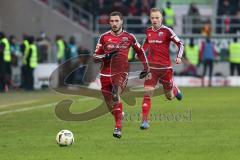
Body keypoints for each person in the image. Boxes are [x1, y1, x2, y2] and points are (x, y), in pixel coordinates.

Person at [93, 11, 149, 138]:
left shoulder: (129, 37)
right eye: (112, 21)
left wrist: (146, 68)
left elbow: (140, 52)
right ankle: (119, 114)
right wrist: (106, 56)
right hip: (105, 74)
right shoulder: (104, 37)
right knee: (109, 105)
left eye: (116, 21)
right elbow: (95, 57)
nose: (114, 23)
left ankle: (118, 128)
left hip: (121, 72)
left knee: (115, 94)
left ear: (122, 21)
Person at [140, 8, 184, 129]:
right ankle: (145, 121)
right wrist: (141, 51)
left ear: (161, 18)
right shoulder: (148, 31)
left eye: (157, 17)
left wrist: (179, 57)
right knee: (147, 94)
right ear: (150, 18)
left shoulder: (167, 31)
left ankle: (175, 90)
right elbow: (146, 43)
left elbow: (180, 44)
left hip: (165, 69)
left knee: (169, 96)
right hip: (152, 69)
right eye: (152, 18)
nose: (154, 20)